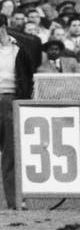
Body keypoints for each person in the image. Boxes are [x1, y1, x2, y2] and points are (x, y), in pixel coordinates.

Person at [0, 14, 34, 209]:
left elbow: (28, 78)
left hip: (11, 100)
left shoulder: (19, 49)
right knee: (10, 155)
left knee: (11, 154)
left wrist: (24, 102)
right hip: (8, 100)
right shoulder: (19, 48)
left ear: (4, 28)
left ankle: (14, 202)